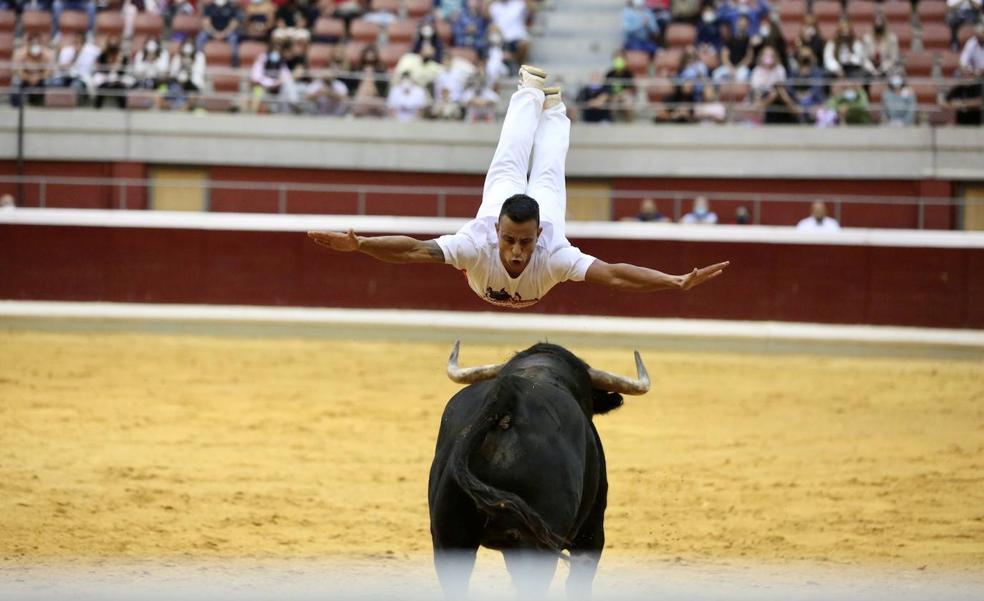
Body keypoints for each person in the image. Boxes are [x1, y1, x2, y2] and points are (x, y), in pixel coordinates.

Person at [308, 66, 728, 308]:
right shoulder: (478, 240)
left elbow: (615, 276)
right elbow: (415, 249)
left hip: (537, 212)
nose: (515, 251)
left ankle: (551, 103)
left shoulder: (554, 252)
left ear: (538, 234)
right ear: (497, 232)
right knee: (513, 155)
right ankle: (538, 95)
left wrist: (675, 282)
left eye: (525, 242)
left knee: (545, 168)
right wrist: (360, 244)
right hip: (499, 202)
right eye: (510, 240)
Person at [13, 34, 53, 107]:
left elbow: (49, 72)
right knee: (16, 81)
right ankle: (17, 106)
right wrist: (29, 78)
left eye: (37, 43)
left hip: (41, 79)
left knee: (49, 82)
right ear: (28, 44)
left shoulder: (47, 54)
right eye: (33, 43)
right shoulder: (21, 54)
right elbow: (18, 72)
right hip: (26, 79)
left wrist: (38, 77)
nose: (35, 46)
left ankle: (45, 104)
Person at [198, 0, 242, 66]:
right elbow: (206, 23)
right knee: (201, 36)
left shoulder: (231, 7)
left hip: (227, 32)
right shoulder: (210, 7)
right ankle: (199, 56)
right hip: (212, 31)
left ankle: (234, 58)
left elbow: (234, 23)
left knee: (234, 37)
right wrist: (214, 33)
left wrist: (224, 33)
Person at [861, 13, 899, 79]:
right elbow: (864, 59)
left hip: (887, 68)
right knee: (863, 75)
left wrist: (882, 69)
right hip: (870, 70)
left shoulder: (892, 39)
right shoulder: (867, 39)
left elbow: (892, 59)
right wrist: (872, 70)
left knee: (894, 75)